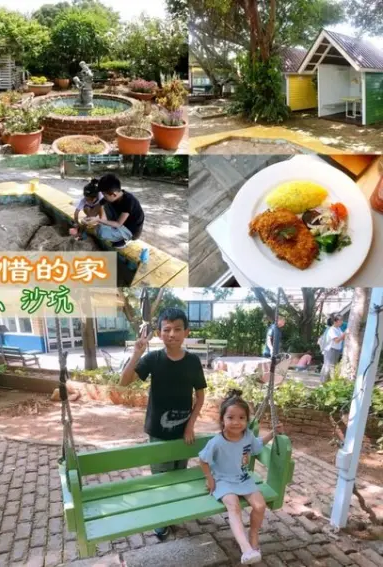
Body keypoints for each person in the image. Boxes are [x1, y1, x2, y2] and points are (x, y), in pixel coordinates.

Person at [119, 307, 207, 541]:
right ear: (159, 334)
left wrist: (190, 425)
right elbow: (124, 382)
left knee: (179, 476)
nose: (172, 334)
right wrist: (136, 354)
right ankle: (161, 519)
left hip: (183, 434)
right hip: (158, 433)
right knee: (161, 479)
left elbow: (200, 396)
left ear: (186, 332)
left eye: (178, 329)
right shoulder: (153, 359)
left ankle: (174, 512)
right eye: (166, 329)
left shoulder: (192, 361)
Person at [199, 389, 284, 565]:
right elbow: (203, 459)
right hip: (223, 480)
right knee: (233, 505)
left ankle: (253, 535)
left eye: (241, 418)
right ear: (222, 420)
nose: (236, 422)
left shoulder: (247, 437)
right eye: (230, 417)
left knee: (260, 506)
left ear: (246, 420)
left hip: (243, 478)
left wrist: (273, 433)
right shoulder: (217, 442)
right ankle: (246, 549)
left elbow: (257, 446)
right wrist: (210, 479)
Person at [89, 173, 144, 249]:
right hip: (121, 223)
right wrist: (88, 218)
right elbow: (97, 207)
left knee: (100, 232)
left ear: (114, 194)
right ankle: (113, 232)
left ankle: (122, 240)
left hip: (131, 230)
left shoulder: (129, 201)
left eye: (104, 195)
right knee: (104, 204)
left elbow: (118, 224)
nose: (103, 197)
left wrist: (98, 220)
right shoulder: (113, 196)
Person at [320, 316, 346, 382]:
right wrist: (344, 335)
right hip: (330, 349)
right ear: (335, 322)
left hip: (337, 349)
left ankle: (328, 381)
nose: (341, 322)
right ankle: (324, 381)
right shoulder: (332, 330)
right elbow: (336, 340)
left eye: (342, 320)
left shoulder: (339, 329)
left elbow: (342, 338)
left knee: (332, 366)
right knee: (328, 366)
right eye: (340, 320)